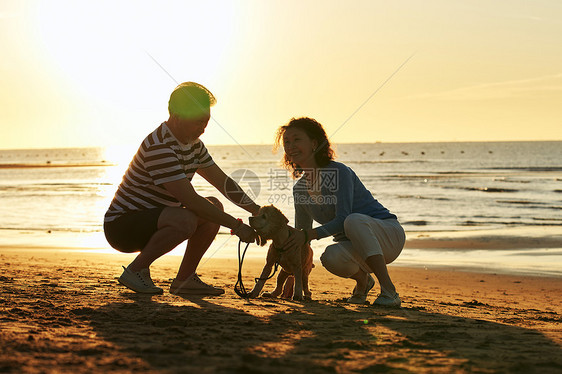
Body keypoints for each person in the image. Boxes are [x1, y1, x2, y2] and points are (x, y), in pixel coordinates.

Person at [103, 82, 259, 296]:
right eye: (198, 122)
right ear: (176, 117)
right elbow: (191, 200)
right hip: (122, 226)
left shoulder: (194, 144)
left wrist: (258, 211)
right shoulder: (160, 145)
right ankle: (135, 270)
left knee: (215, 206)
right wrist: (237, 226)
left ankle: (184, 280)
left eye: (206, 122)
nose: (203, 129)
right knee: (188, 219)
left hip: (158, 219)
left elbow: (222, 182)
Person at [275, 117, 405, 307]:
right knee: (330, 257)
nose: (290, 146)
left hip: (388, 236)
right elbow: (302, 237)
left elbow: (342, 219)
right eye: (286, 142)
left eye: (296, 139)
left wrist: (307, 235)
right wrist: (296, 277)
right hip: (357, 248)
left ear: (314, 143)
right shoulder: (300, 188)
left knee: (352, 221)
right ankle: (364, 282)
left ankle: (389, 291)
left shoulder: (339, 171)